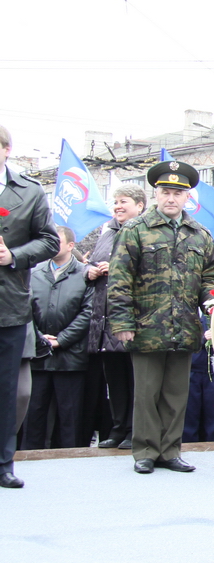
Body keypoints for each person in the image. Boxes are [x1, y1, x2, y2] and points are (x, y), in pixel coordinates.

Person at [107, 160, 214, 475]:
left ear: (187, 198)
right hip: (146, 328)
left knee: (175, 394)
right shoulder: (135, 230)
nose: (171, 198)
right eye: (165, 192)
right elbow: (119, 281)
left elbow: (211, 279)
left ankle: (170, 451)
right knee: (147, 393)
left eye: (178, 193)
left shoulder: (200, 234)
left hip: (184, 327)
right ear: (155, 194)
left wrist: (212, 305)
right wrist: (122, 324)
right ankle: (145, 451)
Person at [0, 124, 60, 488]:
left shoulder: (29, 191)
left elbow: (50, 242)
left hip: (8, 306)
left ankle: (4, 462)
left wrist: (14, 256)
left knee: (7, 390)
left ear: (5, 149)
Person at [87, 185, 146, 450]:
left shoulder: (145, 231)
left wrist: (118, 269)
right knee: (115, 379)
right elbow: (93, 263)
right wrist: (89, 273)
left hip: (133, 316)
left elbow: (150, 271)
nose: (117, 207)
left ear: (140, 205)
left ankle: (135, 429)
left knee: (136, 379)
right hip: (105, 317)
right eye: (115, 202)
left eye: (123, 202)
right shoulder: (107, 231)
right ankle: (118, 428)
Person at [23, 225, 93, 449]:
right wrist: (40, 339)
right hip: (38, 358)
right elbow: (25, 310)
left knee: (69, 418)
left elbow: (88, 312)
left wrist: (61, 339)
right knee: (33, 415)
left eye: (58, 241)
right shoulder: (34, 273)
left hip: (70, 359)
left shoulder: (85, 274)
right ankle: (29, 460)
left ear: (71, 246)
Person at [183, 311, 214, 443]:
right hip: (190, 368)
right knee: (189, 414)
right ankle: (187, 446)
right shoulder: (185, 309)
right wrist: (202, 338)